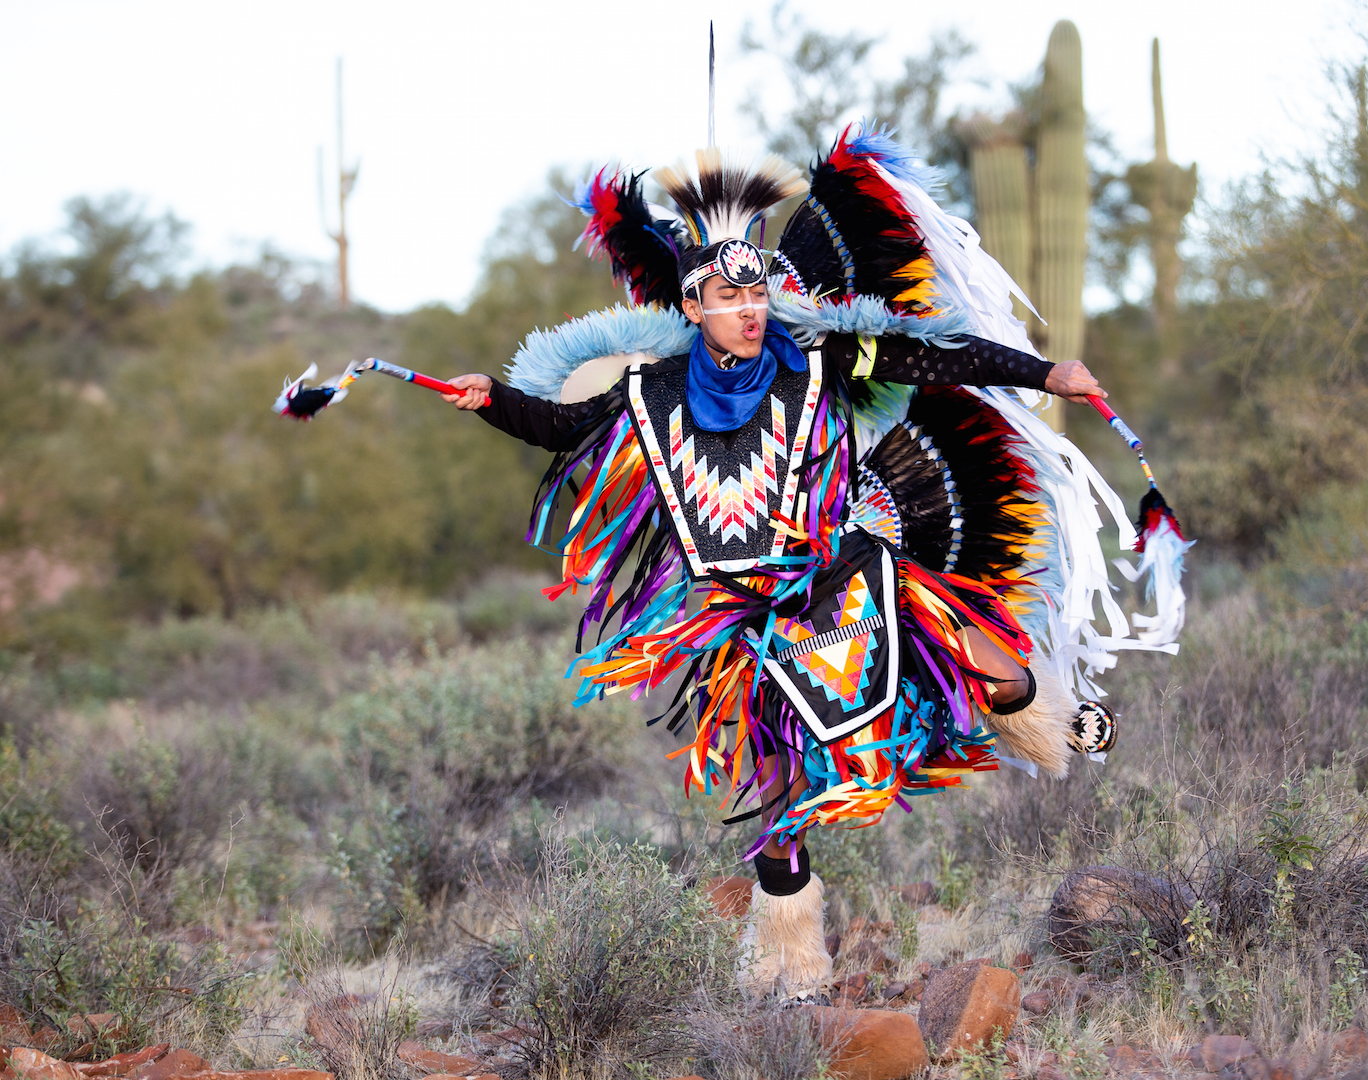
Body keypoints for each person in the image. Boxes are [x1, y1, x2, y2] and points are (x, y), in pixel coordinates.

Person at [435, 130, 1175, 996]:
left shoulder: (820, 358)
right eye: (728, 297)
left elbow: (934, 358)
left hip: (847, 574)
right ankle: (790, 966)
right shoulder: (650, 394)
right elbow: (561, 429)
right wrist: (491, 401)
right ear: (694, 307)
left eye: (757, 294)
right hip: (741, 622)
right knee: (783, 794)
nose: (750, 310)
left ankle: (1047, 706)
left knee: (995, 678)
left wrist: (1046, 374)